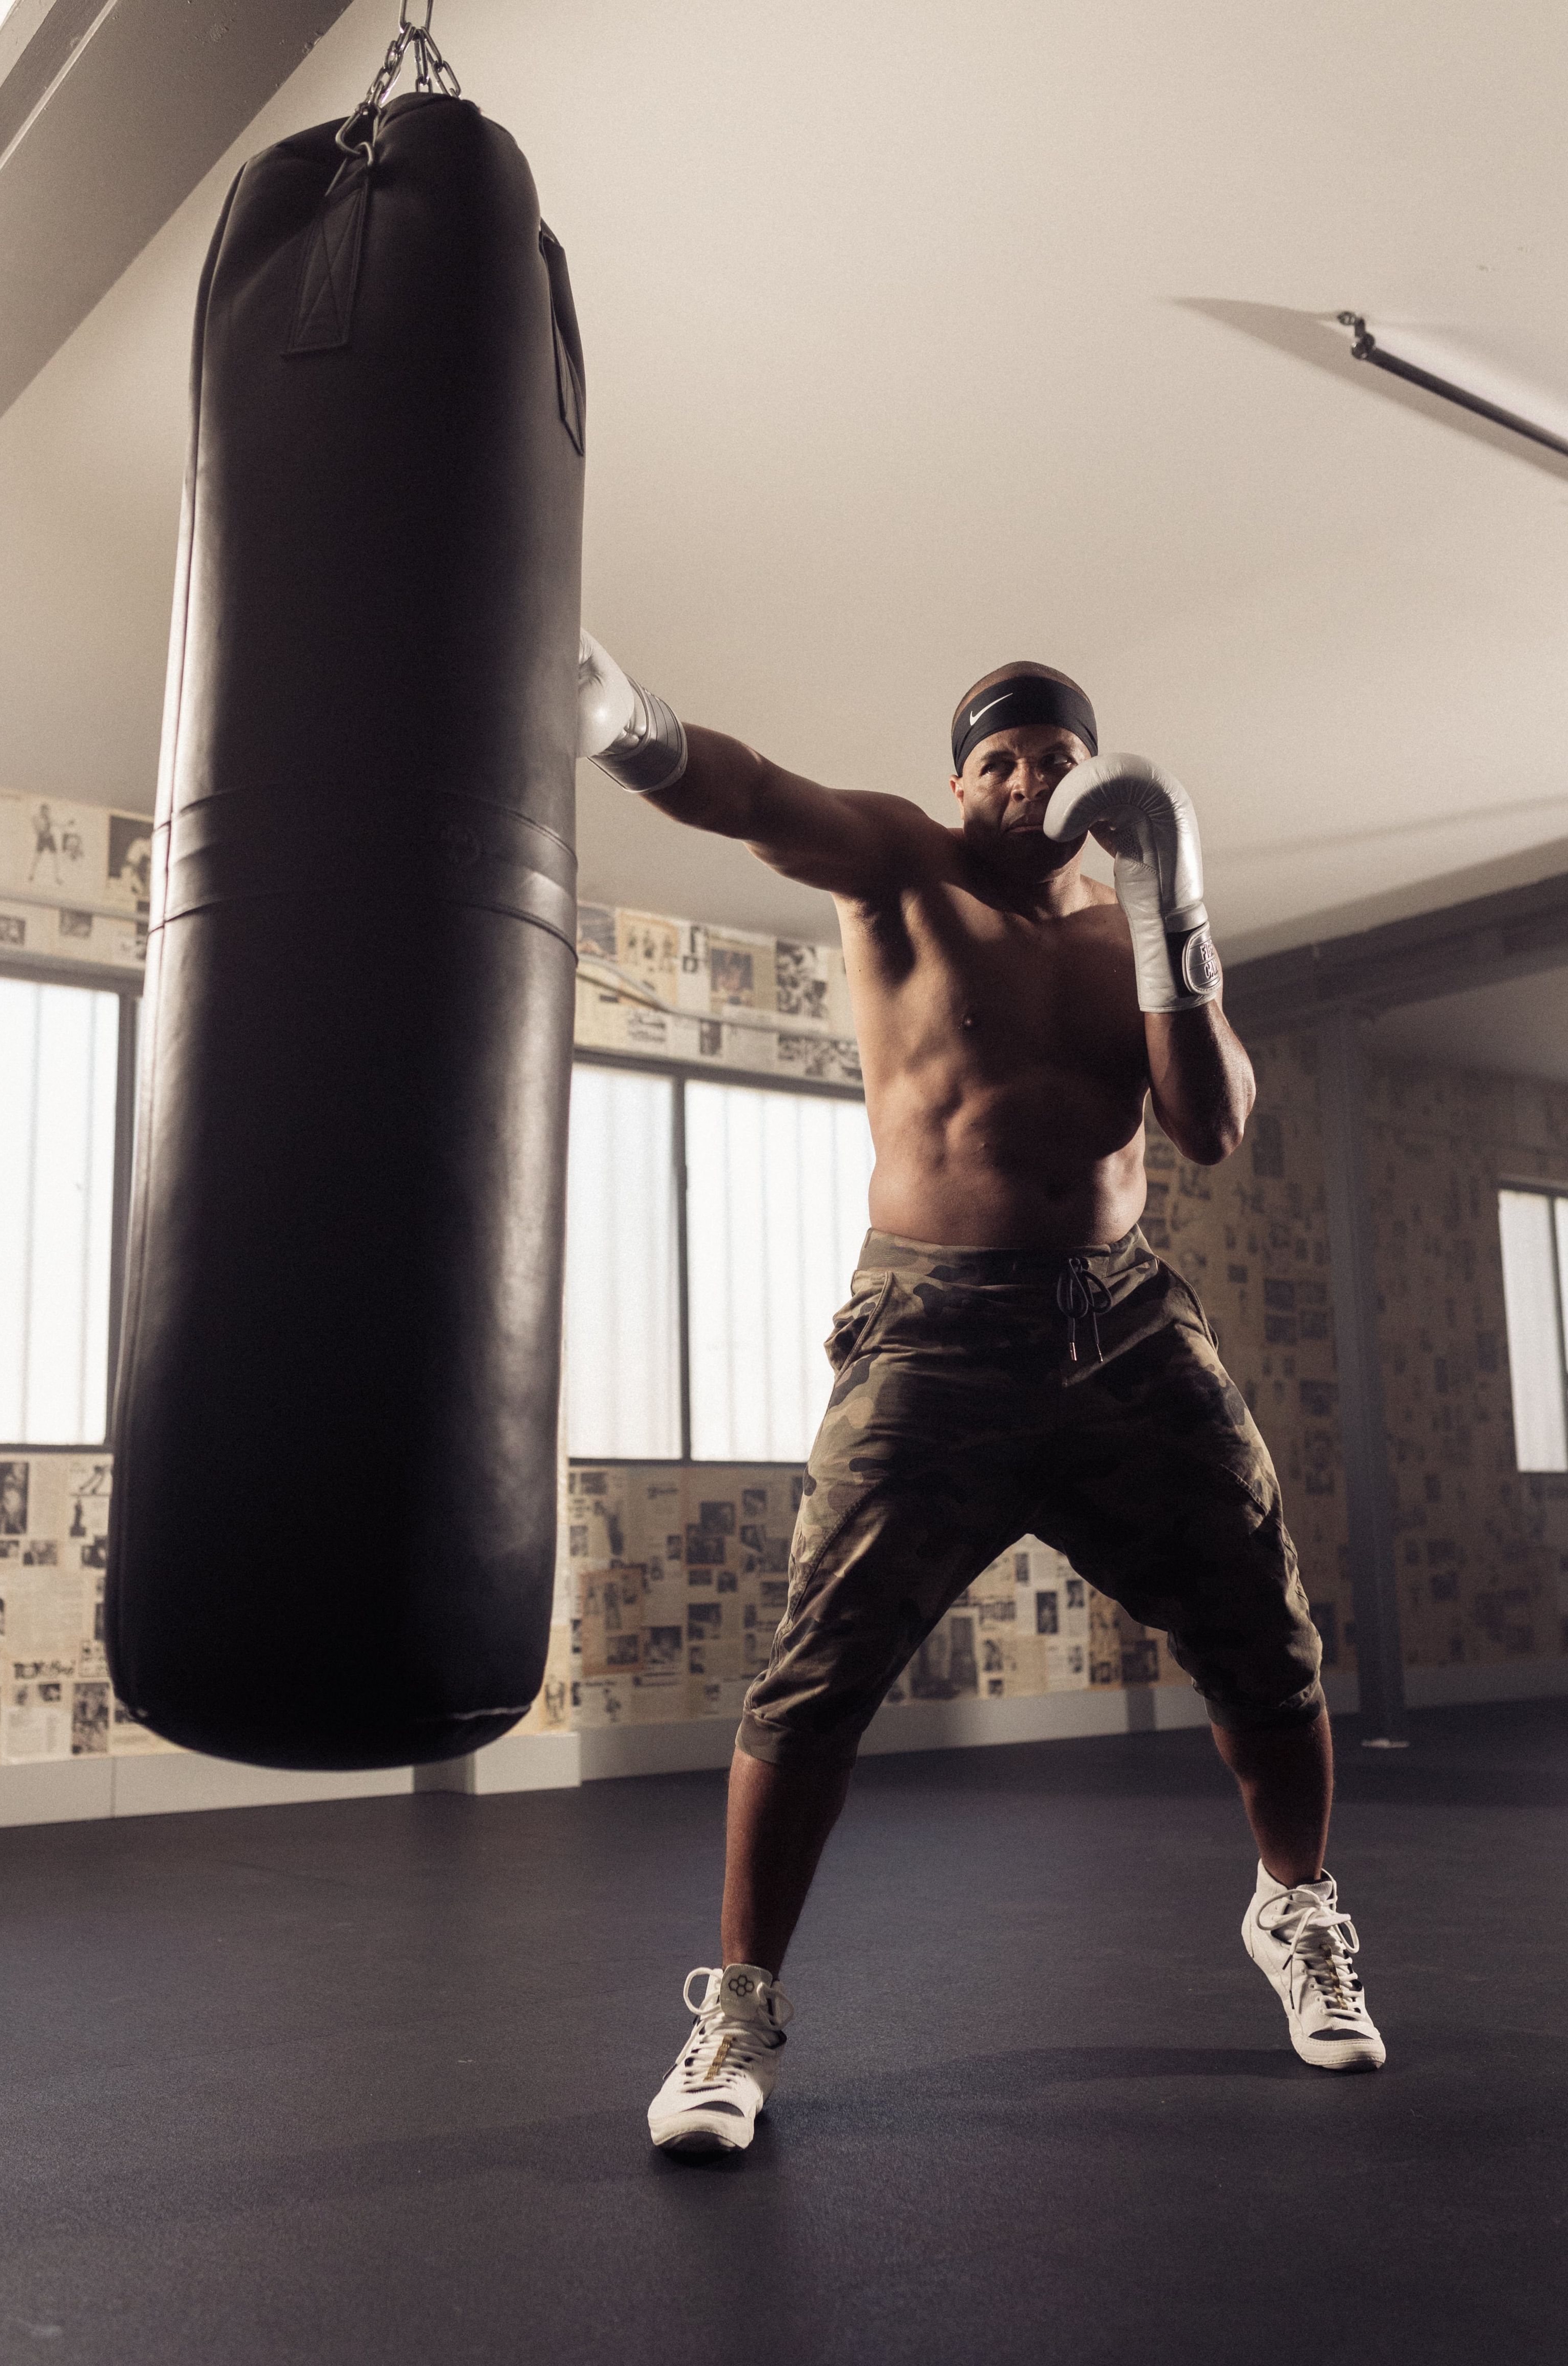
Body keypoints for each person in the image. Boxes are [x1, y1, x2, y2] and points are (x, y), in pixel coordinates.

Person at [576, 638, 1385, 2157]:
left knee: (1266, 1640)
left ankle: (1297, 1915)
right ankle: (735, 2017)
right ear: (963, 781)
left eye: (1054, 755)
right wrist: (617, 717)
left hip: (1127, 1327)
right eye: (999, 757)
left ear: (1093, 779)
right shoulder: (902, 864)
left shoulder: (1123, 933)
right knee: (817, 1676)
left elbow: (1209, 1127)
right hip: (931, 1333)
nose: (1026, 779)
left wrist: (1170, 911)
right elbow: (750, 791)